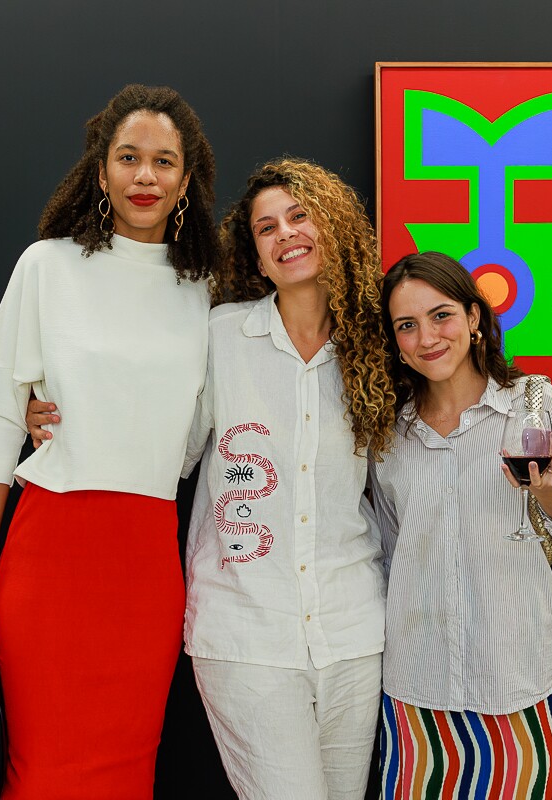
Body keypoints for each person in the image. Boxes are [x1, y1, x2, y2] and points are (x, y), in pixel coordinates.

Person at [0, 83, 220, 800]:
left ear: (186, 180)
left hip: (145, 561)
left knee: (128, 768)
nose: (145, 176)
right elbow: (2, 423)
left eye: (163, 162)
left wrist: (118, 422)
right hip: (50, 551)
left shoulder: (207, 290)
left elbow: (198, 440)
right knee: (42, 772)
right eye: (128, 157)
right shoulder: (45, 267)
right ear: (100, 170)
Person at [181, 158, 397, 799]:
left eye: (299, 216)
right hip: (246, 634)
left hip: (353, 634)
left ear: (334, 225)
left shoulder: (378, 350)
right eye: (266, 227)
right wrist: (50, 413)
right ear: (255, 254)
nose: (285, 234)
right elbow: (165, 448)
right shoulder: (222, 337)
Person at [369, 251, 552, 798]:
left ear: (475, 317)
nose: (427, 336)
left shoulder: (532, 400)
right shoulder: (389, 431)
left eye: (441, 315)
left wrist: (547, 488)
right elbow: (387, 544)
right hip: (417, 682)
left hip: (515, 676)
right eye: (407, 325)